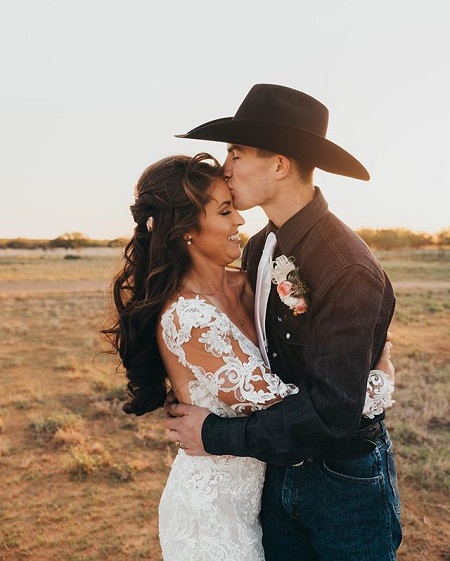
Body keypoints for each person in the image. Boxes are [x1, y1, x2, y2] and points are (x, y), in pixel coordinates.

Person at [101, 151, 395, 561]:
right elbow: (300, 405)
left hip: (279, 488)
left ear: (279, 164)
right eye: (224, 212)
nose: (239, 218)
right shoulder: (192, 314)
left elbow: (308, 379)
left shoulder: (259, 273)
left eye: (236, 153)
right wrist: (377, 382)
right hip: (219, 509)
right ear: (186, 230)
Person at [165, 84, 402, 560]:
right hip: (273, 471)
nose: (225, 168)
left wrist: (213, 434)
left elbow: (334, 414)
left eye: (236, 152)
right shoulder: (258, 248)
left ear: (279, 164)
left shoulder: (345, 267)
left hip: (342, 479)